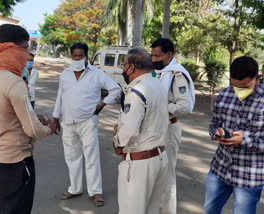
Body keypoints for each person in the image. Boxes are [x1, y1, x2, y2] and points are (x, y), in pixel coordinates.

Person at [0, 24, 55, 214]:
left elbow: (4, 112)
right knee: (17, 209)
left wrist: (32, 116)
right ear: (10, 49)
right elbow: (33, 130)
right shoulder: (14, 82)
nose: (27, 54)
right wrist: (50, 128)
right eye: (25, 48)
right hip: (16, 162)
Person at [53, 42, 121, 207]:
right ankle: (75, 188)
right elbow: (60, 96)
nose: (77, 58)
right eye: (74, 56)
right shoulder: (65, 74)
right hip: (68, 122)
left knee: (92, 158)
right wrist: (56, 118)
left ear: (86, 57)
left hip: (87, 121)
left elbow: (116, 90)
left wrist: (101, 104)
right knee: (72, 158)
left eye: (80, 56)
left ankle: (96, 191)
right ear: (71, 57)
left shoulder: (97, 74)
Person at [204, 56, 264, 213]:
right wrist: (215, 132)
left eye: (245, 87)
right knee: (210, 209)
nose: (239, 92)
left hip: (249, 176)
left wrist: (245, 140)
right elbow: (214, 123)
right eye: (235, 86)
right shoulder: (225, 95)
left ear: (258, 78)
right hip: (220, 169)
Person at [113, 48, 169, 214]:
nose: (123, 70)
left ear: (131, 67)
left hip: (140, 163)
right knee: (151, 210)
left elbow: (129, 132)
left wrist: (117, 143)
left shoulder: (136, 91)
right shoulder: (157, 84)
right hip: (159, 157)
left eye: (124, 65)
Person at [151, 38, 195, 214]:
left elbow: (185, 107)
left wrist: (160, 107)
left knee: (167, 176)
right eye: (152, 55)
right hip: (155, 129)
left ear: (169, 55)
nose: (153, 59)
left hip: (169, 129)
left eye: (157, 56)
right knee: (154, 174)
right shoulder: (160, 71)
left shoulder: (177, 74)